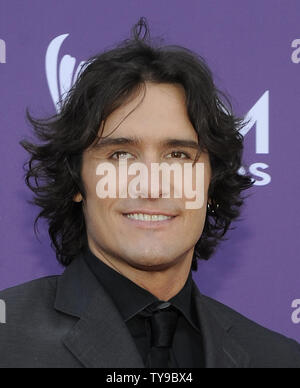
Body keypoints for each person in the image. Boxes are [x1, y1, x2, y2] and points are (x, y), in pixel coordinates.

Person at [0, 17, 299, 369]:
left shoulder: (278, 357)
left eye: (178, 155)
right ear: (77, 181)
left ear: (211, 185)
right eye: (121, 155)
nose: (152, 184)